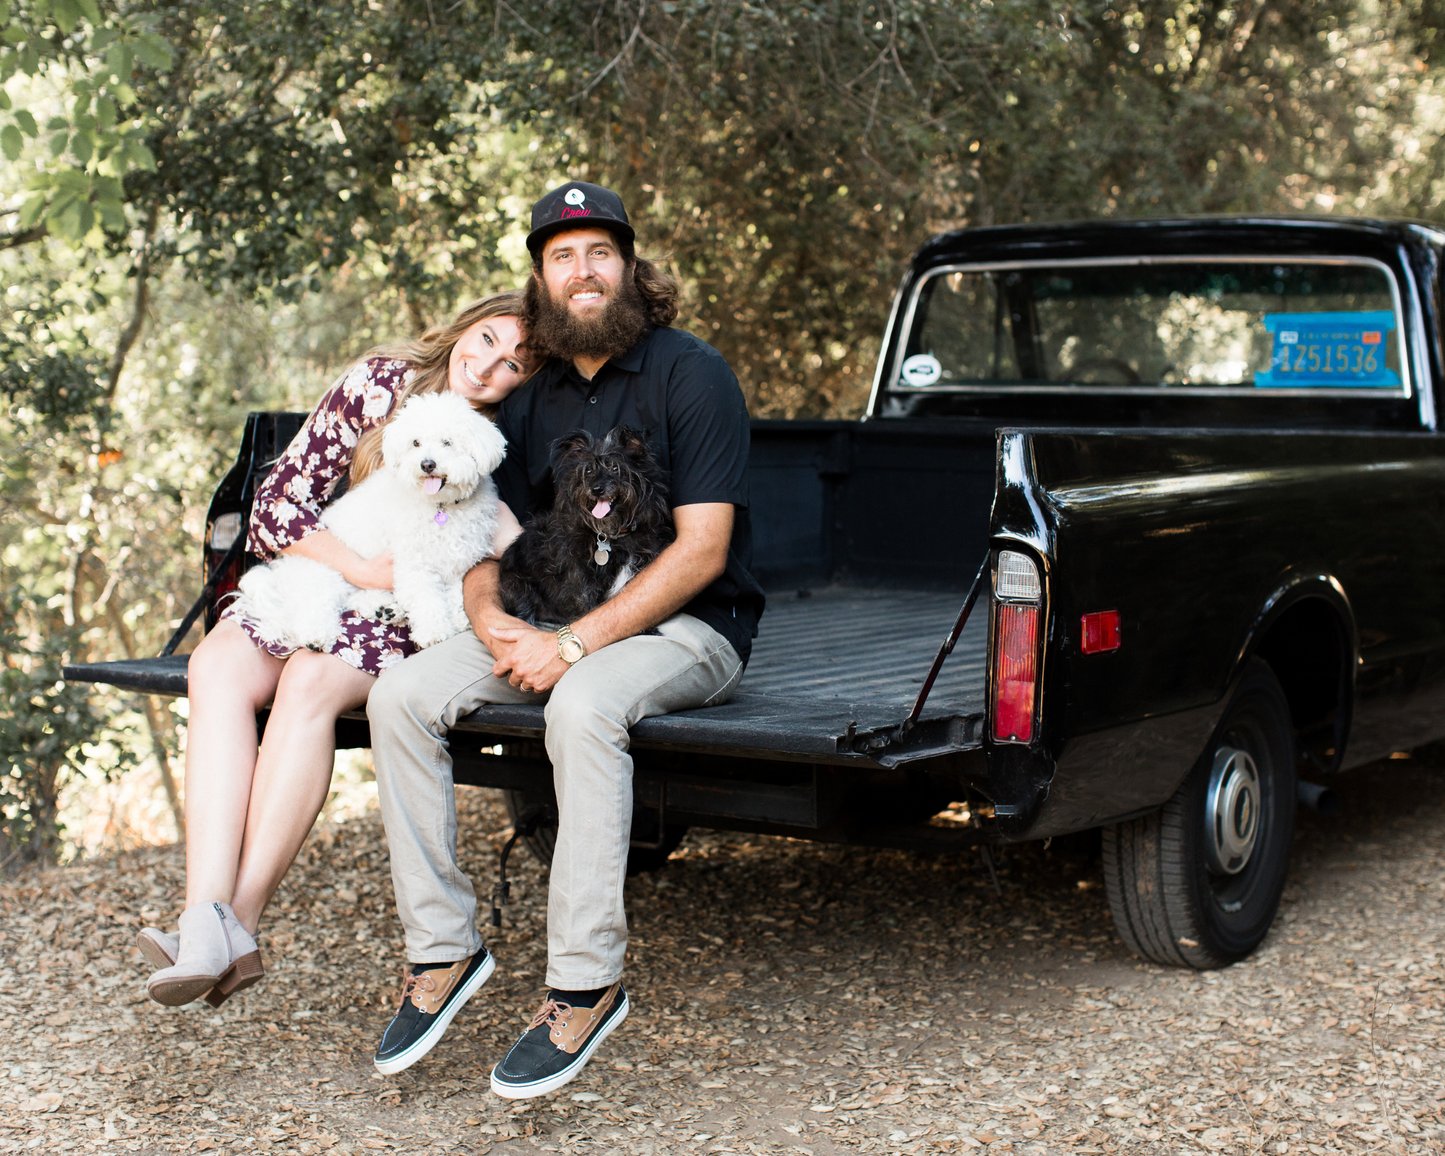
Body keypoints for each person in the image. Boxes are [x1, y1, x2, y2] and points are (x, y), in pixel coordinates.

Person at [367, 181, 766, 1096]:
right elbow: (474, 523)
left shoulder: (690, 372)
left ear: (628, 268)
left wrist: (574, 647)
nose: (582, 273)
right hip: (545, 614)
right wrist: (486, 616)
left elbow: (704, 550)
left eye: (599, 254)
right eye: (561, 257)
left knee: (580, 708)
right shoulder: (532, 393)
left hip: (687, 626)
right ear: (541, 281)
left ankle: (584, 984)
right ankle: (442, 955)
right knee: (400, 696)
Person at [140, 292, 535, 1008]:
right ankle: (202, 915)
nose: (488, 366)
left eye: (513, 363)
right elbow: (275, 506)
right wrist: (357, 569)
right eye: (485, 340)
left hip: (402, 611)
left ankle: (242, 918)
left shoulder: (503, 432)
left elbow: (498, 541)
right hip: (331, 570)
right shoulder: (379, 384)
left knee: (309, 684)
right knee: (216, 665)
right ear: (463, 325)